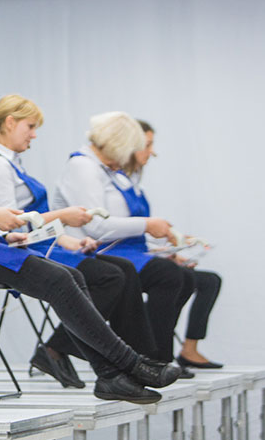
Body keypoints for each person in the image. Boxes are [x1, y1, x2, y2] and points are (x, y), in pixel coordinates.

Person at [0, 70, 178, 402]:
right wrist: (9, 220)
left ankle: (113, 371)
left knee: (75, 276)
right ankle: (126, 364)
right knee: (80, 279)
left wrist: (51, 234)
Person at [0, 94, 171, 381]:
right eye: (30, 127)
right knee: (110, 276)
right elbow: (10, 227)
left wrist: (69, 240)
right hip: (13, 251)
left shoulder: (11, 163)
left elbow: (28, 224)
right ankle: (121, 361)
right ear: (10, 123)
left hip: (41, 246)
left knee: (119, 272)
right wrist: (62, 217)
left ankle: (131, 360)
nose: (34, 134)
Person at [52, 112, 194, 365]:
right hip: (79, 250)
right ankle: (149, 357)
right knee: (156, 275)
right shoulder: (83, 167)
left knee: (163, 274)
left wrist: (158, 246)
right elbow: (97, 226)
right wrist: (148, 225)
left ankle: (140, 357)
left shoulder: (102, 170)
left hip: (96, 249)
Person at [130, 120, 223, 369]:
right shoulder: (113, 182)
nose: (152, 152)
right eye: (147, 145)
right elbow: (106, 234)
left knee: (206, 279)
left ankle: (186, 349)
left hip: (139, 257)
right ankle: (154, 354)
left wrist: (168, 249)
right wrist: (161, 253)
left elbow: (133, 234)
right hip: (122, 261)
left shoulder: (133, 184)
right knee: (174, 277)